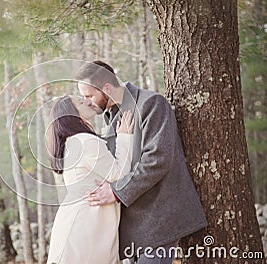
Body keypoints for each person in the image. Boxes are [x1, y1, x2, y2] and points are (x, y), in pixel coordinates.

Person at [76, 60, 208, 264]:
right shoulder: (109, 116)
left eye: (89, 96)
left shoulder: (151, 103)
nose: (87, 102)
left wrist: (115, 191)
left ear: (107, 88)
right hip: (131, 227)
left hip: (159, 218)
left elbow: (158, 159)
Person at [46, 95, 135, 264]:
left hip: (80, 221)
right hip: (86, 224)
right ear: (71, 114)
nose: (88, 101)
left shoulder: (72, 142)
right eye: (80, 102)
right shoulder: (85, 141)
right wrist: (124, 137)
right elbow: (119, 175)